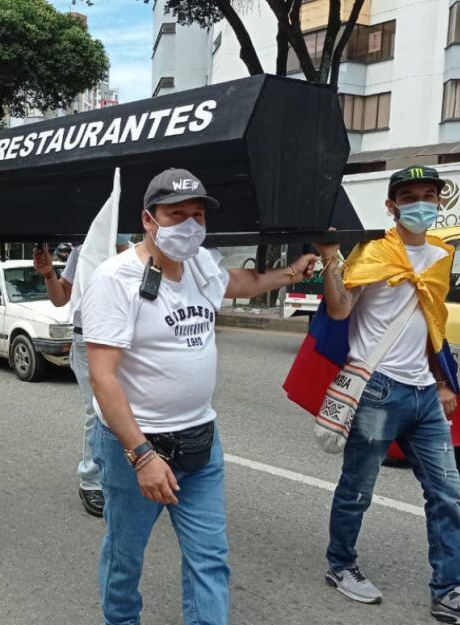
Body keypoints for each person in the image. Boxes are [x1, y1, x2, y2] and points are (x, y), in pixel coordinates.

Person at [81, 168, 316, 625]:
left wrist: (290, 272)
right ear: (149, 219)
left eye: (198, 215)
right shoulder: (115, 279)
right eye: (177, 214)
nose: (190, 225)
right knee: (125, 558)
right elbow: (103, 378)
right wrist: (142, 456)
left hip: (201, 442)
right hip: (137, 448)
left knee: (210, 560)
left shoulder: (201, 265)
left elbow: (237, 282)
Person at [314, 166, 460, 625]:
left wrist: (442, 382)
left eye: (429, 195)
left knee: (447, 494)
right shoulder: (374, 252)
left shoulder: (441, 255)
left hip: (425, 394)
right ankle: (340, 565)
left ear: (439, 202)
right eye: (409, 196)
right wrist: (329, 259)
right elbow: (340, 309)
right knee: (358, 489)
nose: (421, 203)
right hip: (379, 389)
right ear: (391, 206)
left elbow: (432, 322)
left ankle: (450, 592)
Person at [34, 236, 132, 517]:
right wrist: (49, 273)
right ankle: (92, 481)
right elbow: (59, 297)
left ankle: (124, 470)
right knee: (99, 411)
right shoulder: (84, 251)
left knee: (129, 410)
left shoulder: (140, 253)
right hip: (88, 340)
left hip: (126, 340)